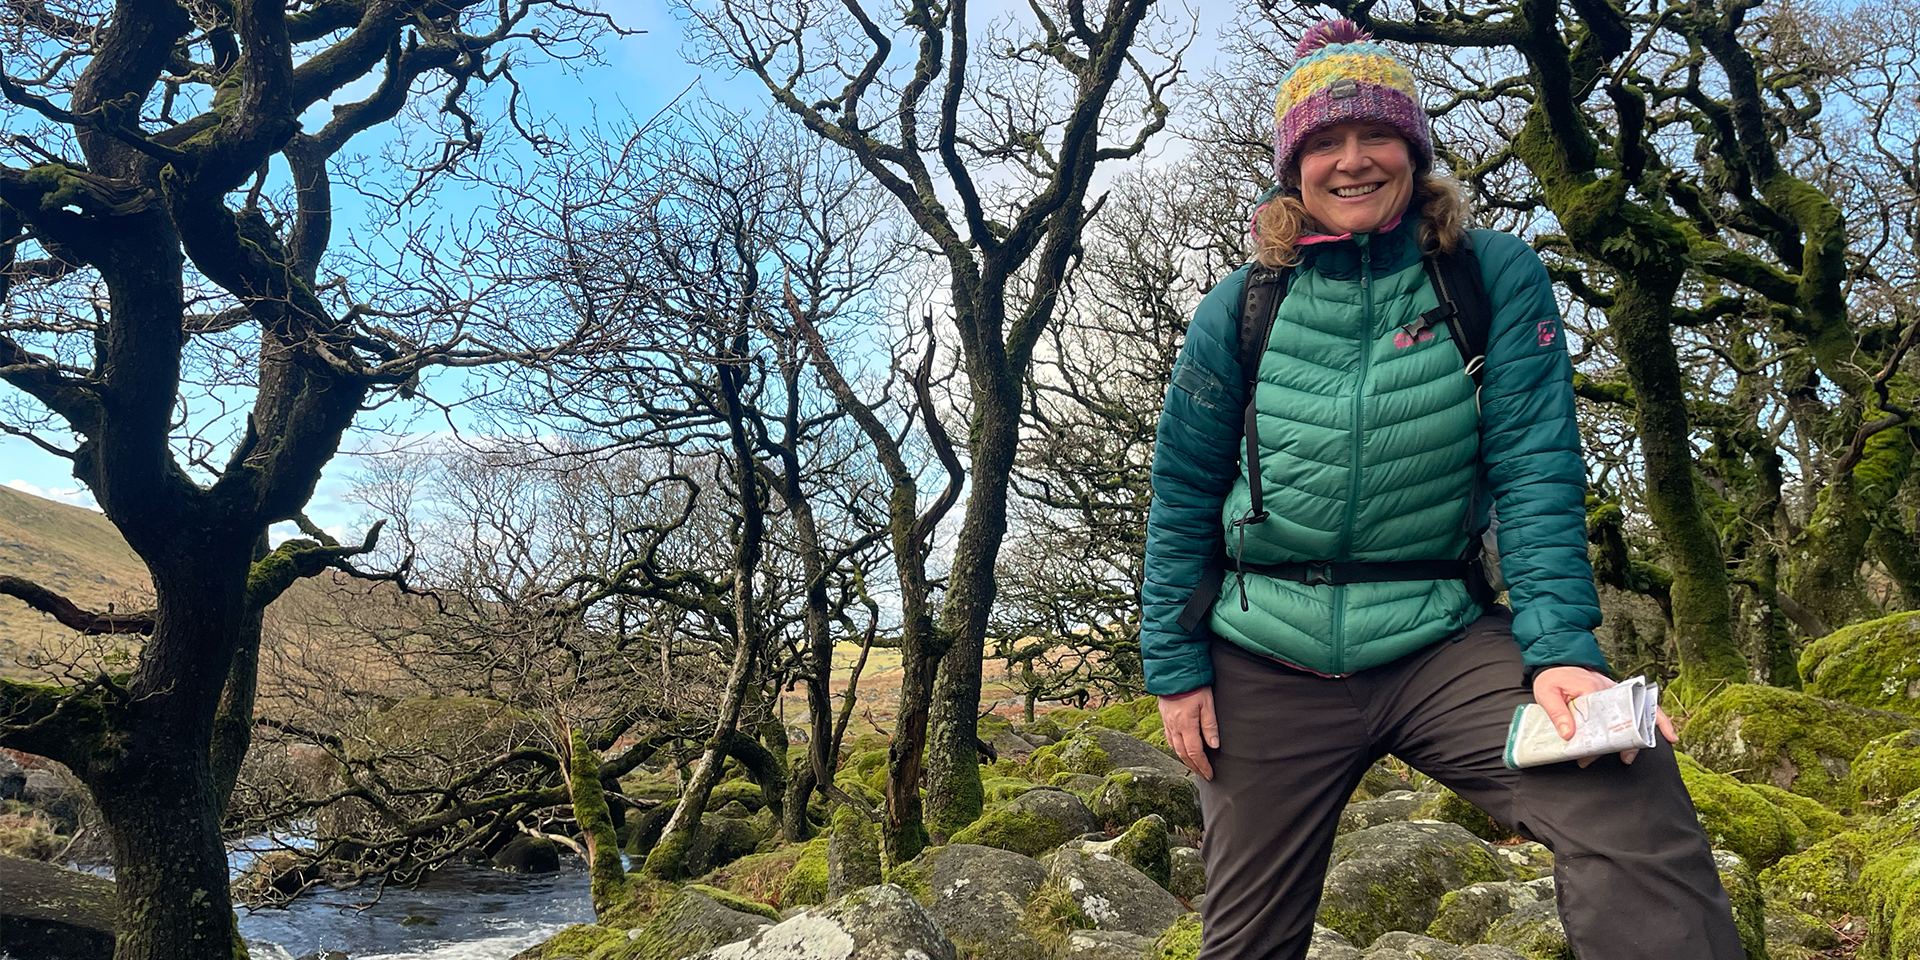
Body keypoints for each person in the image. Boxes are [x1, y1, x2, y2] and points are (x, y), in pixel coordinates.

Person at [1140, 18, 1746, 960]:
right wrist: (1175, 670)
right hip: (1263, 652)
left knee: (1622, 777)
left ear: (1414, 152)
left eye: (1375, 137)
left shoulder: (1488, 276)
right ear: (1290, 168)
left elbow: (1535, 466)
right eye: (1322, 145)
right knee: (1245, 942)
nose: (1351, 162)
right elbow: (1182, 488)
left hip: (1439, 634)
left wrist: (1564, 653)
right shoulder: (1243, 304)